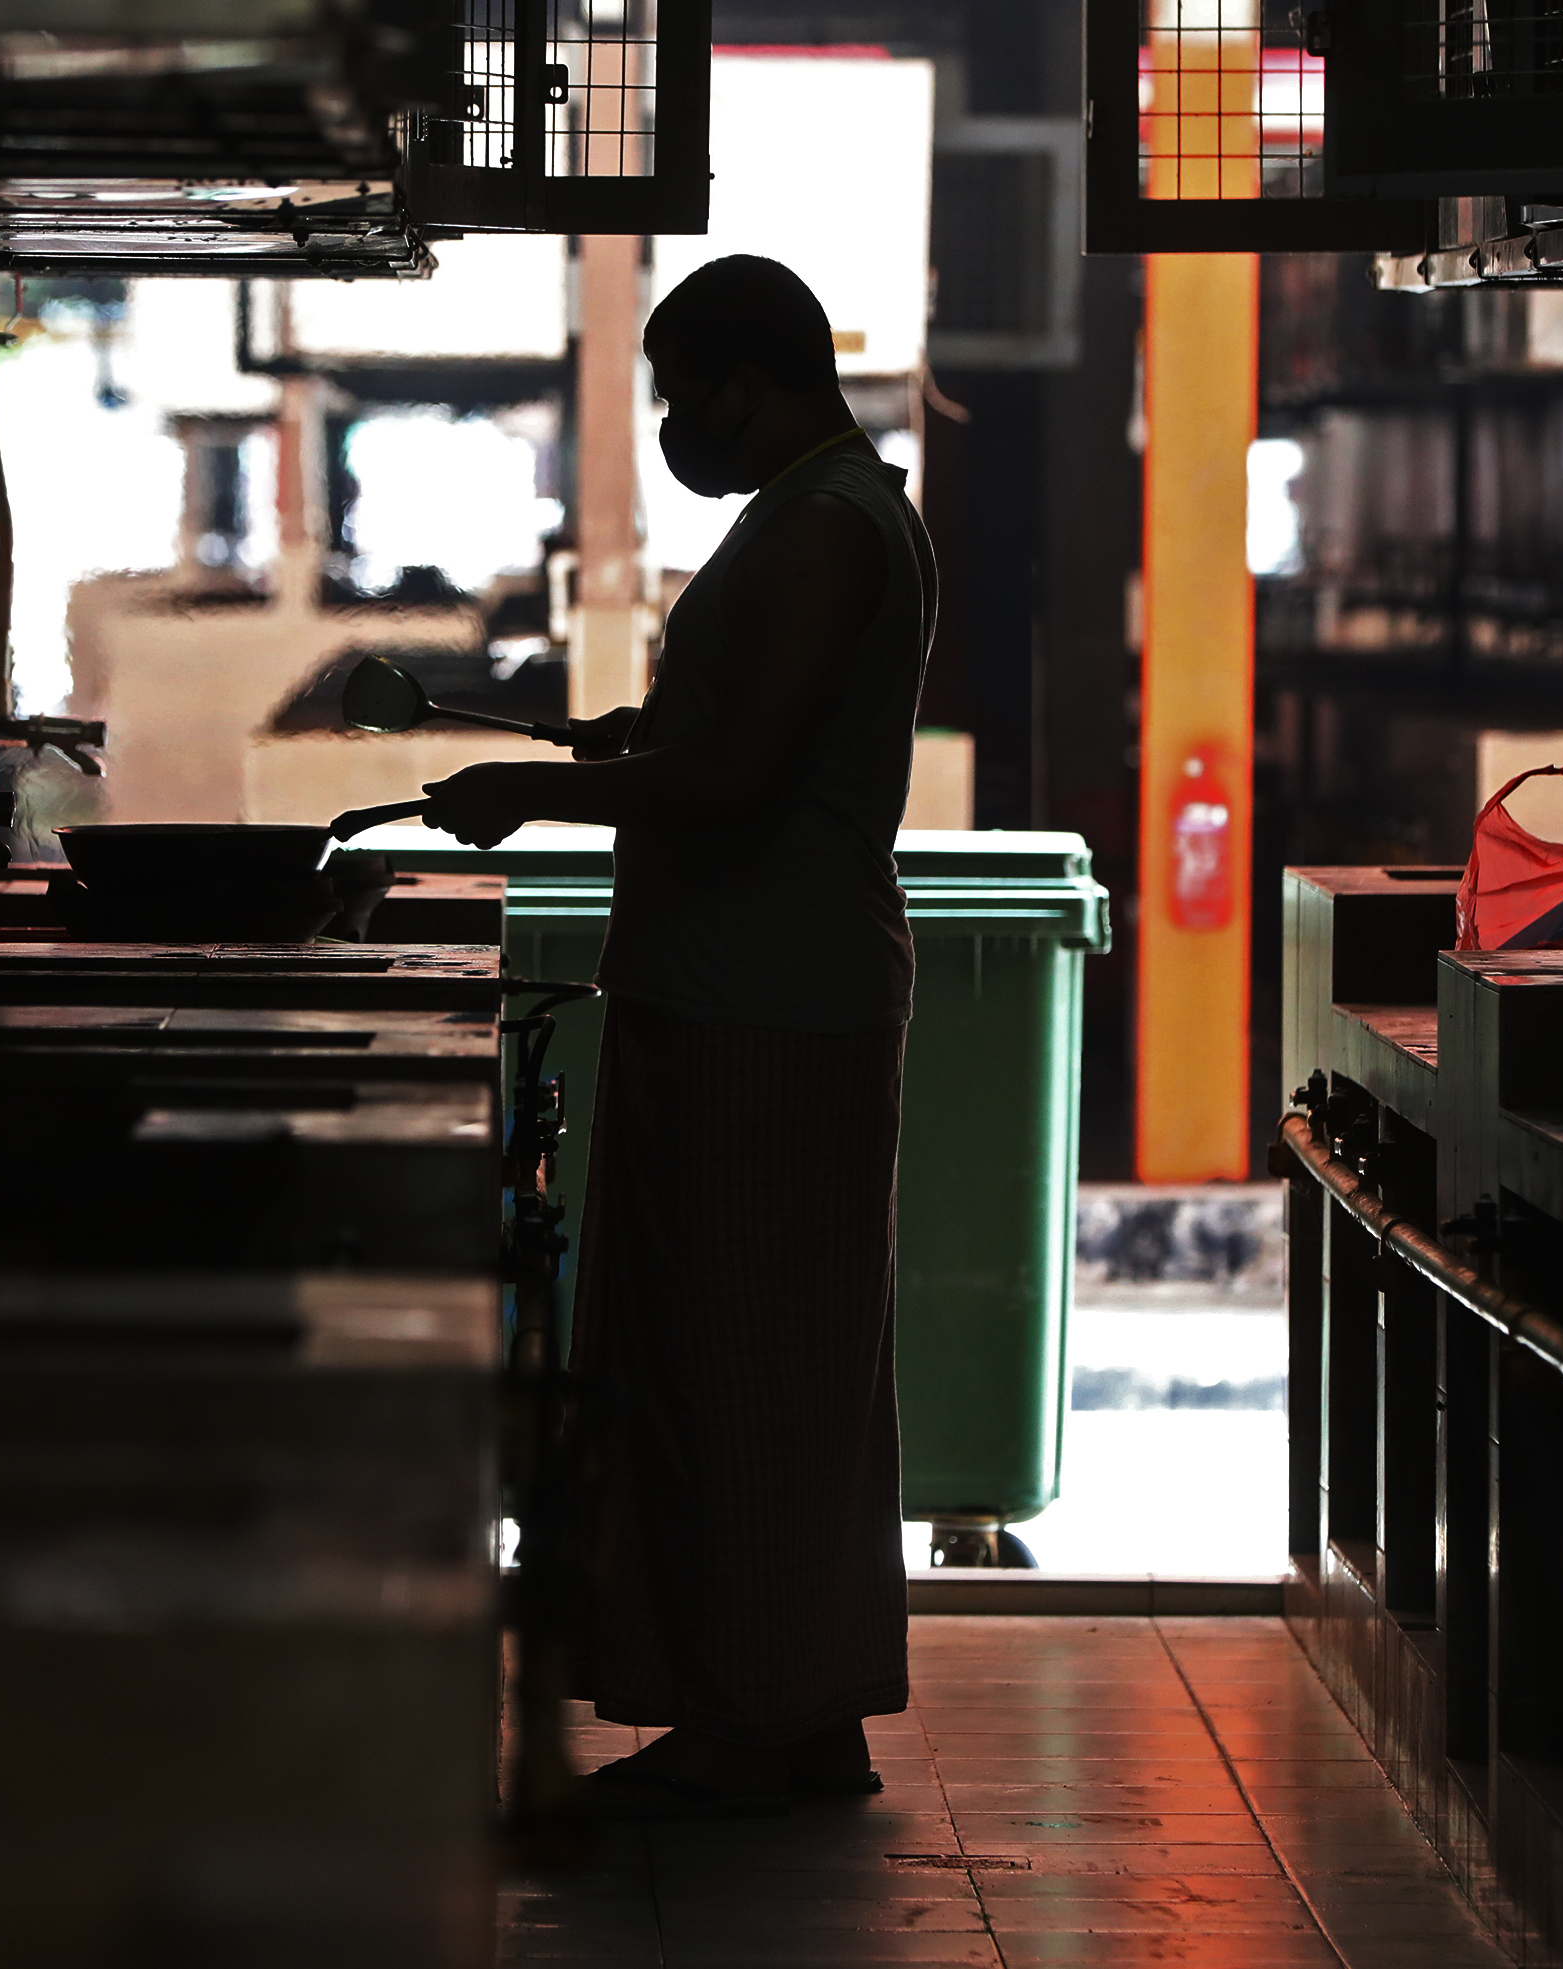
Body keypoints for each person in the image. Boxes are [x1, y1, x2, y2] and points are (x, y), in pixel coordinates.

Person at [421, 254, 936, 1815]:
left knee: (739, 1370)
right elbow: (727, 743)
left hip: (760, 1000)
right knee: (770, 1361)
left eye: (673, 392)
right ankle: (795, 1707)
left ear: (745, 380)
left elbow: (742, 786)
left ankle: (739, 1725)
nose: (668, 424)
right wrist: (631, 740)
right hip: (745, 984)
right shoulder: (820, 514)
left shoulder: (824, 526)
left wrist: (536, 795)